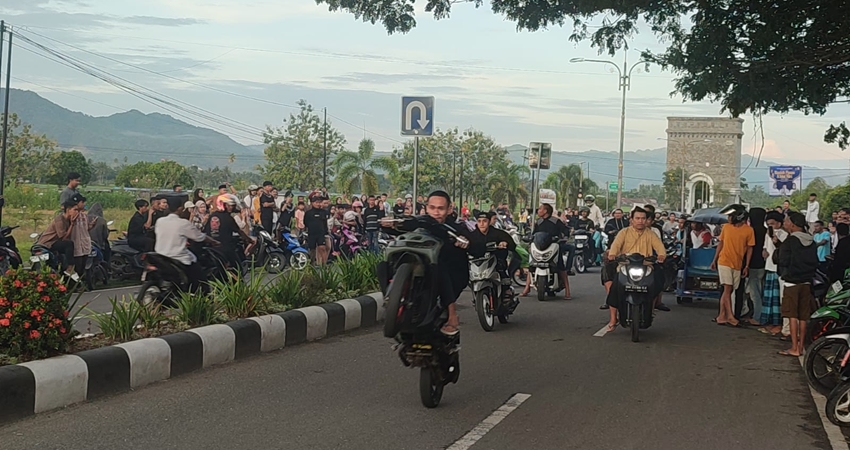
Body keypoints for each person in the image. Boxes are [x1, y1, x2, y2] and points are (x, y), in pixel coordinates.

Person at [380, 190, 471, 335]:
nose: (436, 212)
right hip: (420, 272)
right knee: (384, 261)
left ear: (449, 209)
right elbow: (403, 226)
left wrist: (465, 242)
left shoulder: (456, 228)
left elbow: (474, 244)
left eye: (440, 208)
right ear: (427, 207)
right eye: (432, 208)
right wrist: (388, 225)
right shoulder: (421, 221)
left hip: (449, 275)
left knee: (441, 266)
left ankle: (452, 315)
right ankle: (390, 300)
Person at [604, 206, 667, 331]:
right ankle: (613, 319)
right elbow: (615, 246)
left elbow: (660, 248)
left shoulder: (651, 234)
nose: (640, 221)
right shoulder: (624, 232)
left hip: (646, 266)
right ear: (631, 219)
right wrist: (612, 254)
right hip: (625, 266)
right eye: (637, 218)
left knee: (658, 281)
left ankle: (652, 307)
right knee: (614, 289)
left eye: (643, 218)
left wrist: (661, 255)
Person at [777, 212, 819, 357]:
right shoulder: (811, 241)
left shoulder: (790, 241)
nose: (785, 222)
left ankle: (794, 347)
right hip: (806, 282)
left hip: (791, 282)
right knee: (803, 316)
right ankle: (801, 346)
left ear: (793, 224)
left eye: (787, 221)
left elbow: (782, 260)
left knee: (792, 315)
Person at [155, 197, 219, 291]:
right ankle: (197, 294)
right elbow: (199, 236)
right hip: (178, 257)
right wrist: (214, 241)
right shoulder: (183, 223)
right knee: (200, 276)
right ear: (180, 208)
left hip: (161, 255)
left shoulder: (160, 221)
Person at [710, 205, 755, 327]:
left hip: (738, 263)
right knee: (727, 289)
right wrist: (714, 259)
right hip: (724, 261)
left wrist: (746, 265)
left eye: (730, 216)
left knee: (728, 290)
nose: (728, 218)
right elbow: (721, 243)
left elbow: (750, 248)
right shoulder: (726, 228)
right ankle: (730, 316)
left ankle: (721, 316)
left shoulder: (748, 230)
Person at [530, 203, 572, 298]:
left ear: (545, 211)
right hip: (540, 248)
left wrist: (564, 237)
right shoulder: (539, 222)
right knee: (531, 264)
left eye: (540, 209)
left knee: (561, 267)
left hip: (553, 246)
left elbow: (565, 231)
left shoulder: (556, 221)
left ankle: (567, 291)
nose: (538, 210)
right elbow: (534, 234)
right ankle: (527, 288)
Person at [204, 194, 254, 274]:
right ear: (223, 205)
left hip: (212, 248)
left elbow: (206, 230)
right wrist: (249, 240)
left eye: (232, 205)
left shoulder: (212, 215)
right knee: (237, 267)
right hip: (225, 247)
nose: (231, 207)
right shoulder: (228, 218)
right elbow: (239, 231)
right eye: (229, 205)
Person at [468, 211, 520, 287]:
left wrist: (505, 242)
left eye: (484, 221)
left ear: (489, 222)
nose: (481, 224)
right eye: (479, 221)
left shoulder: (498, 233)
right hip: (476, 266)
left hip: (496, 266)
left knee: (505, 286)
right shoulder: (471, 235)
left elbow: (512, 244)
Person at [37, 199, 83, 280]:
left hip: (56, 242)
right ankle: (70, 268)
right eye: (75, 210)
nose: (77, 212)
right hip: (48, 243)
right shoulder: (60, 220)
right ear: (68, 210)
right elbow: (63, 237)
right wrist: (72, 224)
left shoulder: (67, 220)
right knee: (69, 244)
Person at [759, 211, 787, 335]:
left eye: (773, 224)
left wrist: (774, 238)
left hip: (778, 268)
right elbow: (766, 247)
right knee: (769, 296)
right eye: (768, 224)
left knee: (777, 297)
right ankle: (769, 321)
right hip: (769, 266)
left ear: (779, 223)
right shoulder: (767, 234)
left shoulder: (784, 234)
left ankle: (777, 323)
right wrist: (764, 251)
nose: (771, 226)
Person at [742, 208, 767, 325]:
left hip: (752, 265)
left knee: (754, 292)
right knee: (759, 290)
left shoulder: (751, 231)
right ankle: (755, 313)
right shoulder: (766, 231)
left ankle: (757, 317)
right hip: (763, 265)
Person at [305, 194, 330, 265]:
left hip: (321, 234)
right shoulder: (308, 213)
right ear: (312, 203)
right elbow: (305, 223)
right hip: (312, 234)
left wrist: (326, 232)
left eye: (319, 202)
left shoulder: (323, 212)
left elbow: (325, 223)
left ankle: (324, 266)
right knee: (312, 250)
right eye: (316, 202)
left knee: (322, 248)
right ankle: (311, 264)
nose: (318, 204)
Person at [87, 203, 111, 268]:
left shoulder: (85, 218)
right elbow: (105, 235)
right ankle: (107, 267)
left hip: (86, 244)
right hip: (98, 245)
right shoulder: (102, 221)